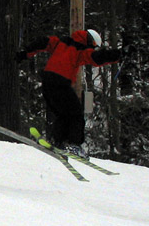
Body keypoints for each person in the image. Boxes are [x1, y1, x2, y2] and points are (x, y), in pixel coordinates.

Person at [16, 29, 121, 158]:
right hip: (61, 82)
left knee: (63, 114)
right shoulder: (81, 50)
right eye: (93, 45)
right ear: (89, 40)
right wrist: (119, 54)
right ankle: (74, 145)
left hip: (47, 82)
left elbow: (43, 42)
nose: (92, 48)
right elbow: (98, 58)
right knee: (76, 113)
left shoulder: (60, 42)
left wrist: (24, 54)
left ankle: (58, 141)